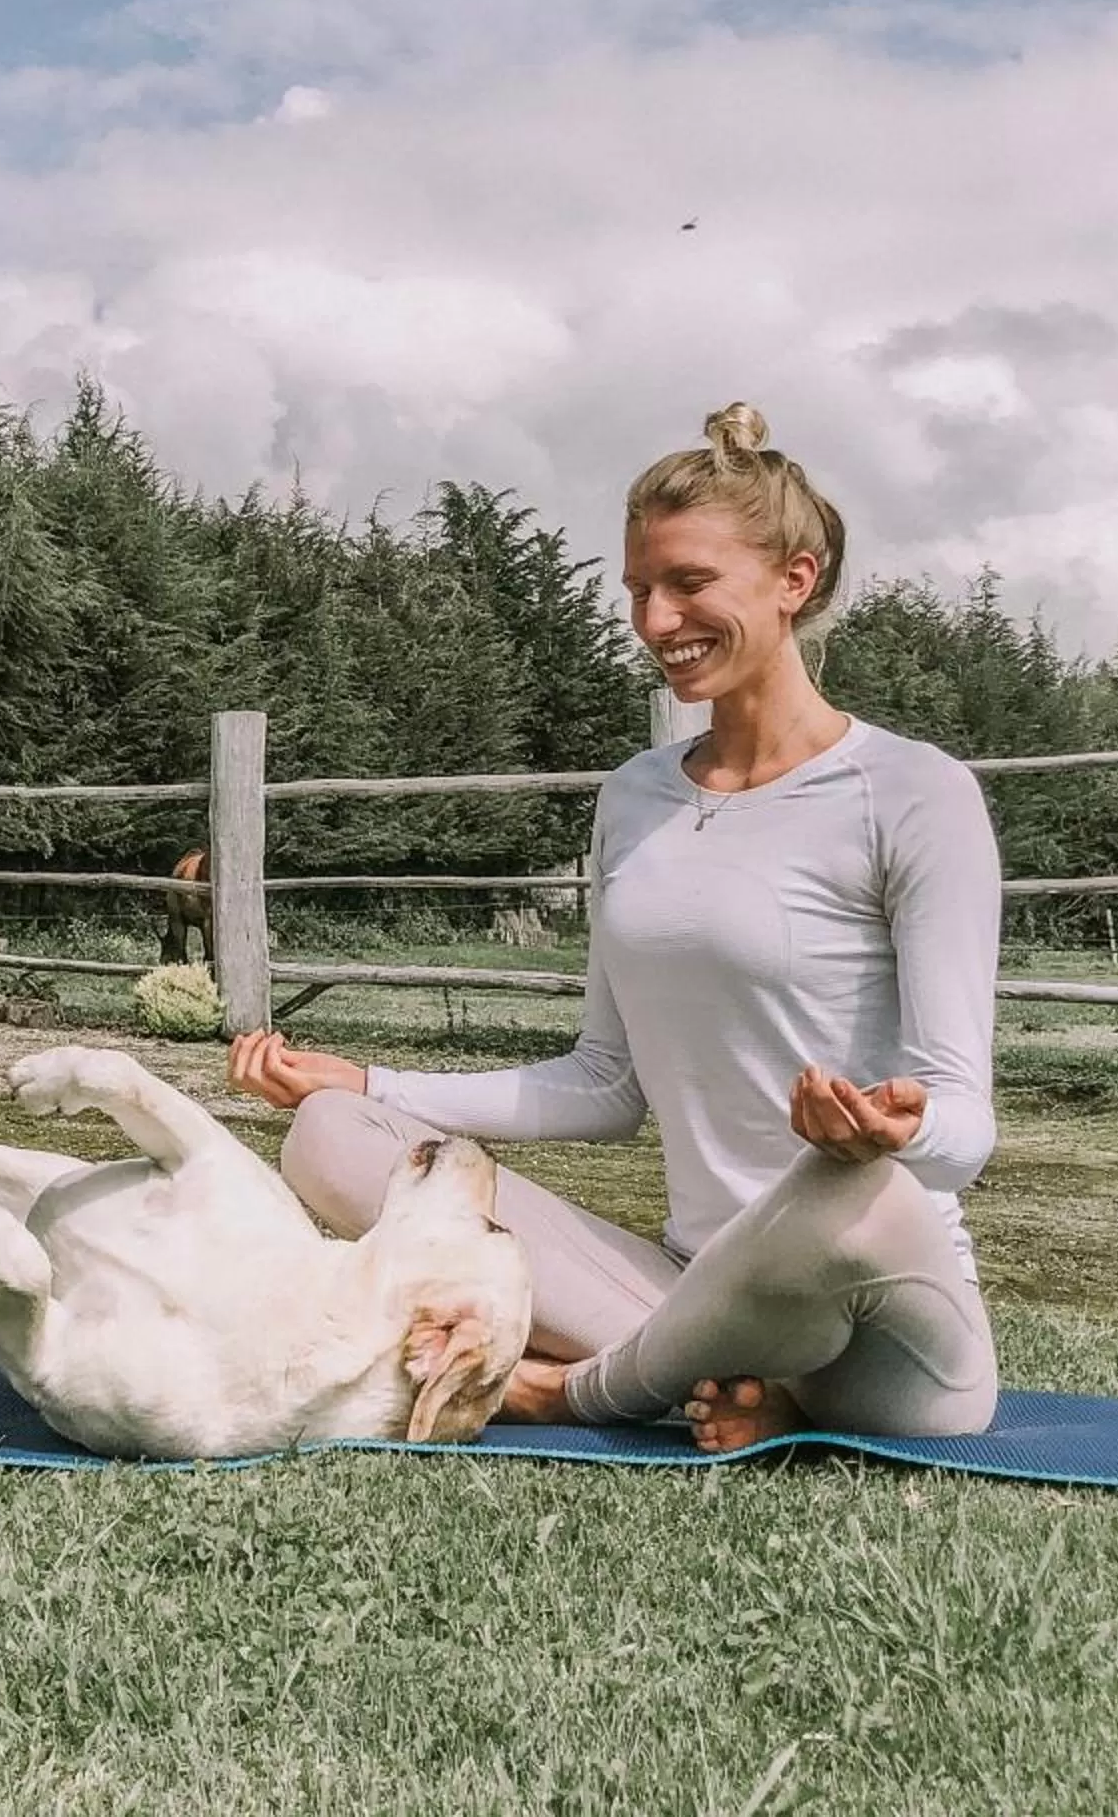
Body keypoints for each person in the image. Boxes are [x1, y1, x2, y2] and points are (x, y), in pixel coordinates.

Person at [228, 402, 1001, 1450]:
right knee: (333, 1140)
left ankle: (565, 1388)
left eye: (689, 583)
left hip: (874, 1319)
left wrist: (894, 1133)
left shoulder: (914, 792)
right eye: (640, 588)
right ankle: (707, 1381)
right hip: (684, 1294)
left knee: (840, 1190)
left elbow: (966, 1130)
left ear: (794, 580)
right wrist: (369, 1087)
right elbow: (603, 1084)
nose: (655, 621)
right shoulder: (635, 798)